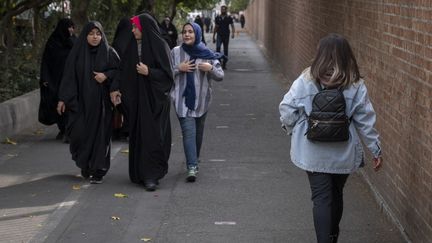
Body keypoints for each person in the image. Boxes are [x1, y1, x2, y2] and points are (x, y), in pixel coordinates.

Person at [279, 33, 383, 243]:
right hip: (343, 151)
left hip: (312, 151)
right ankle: (332, 236)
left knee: (321, 199)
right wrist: (375, 149)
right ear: (347, 56)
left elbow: (287, 108)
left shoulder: (306, 79)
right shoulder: (355, 83)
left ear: (320, 54)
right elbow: (366, 120)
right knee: (336, 194)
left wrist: (292, 128)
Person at [112, 13, 173, 191]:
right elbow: (122, 70)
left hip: (155, 102)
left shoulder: (160, 46)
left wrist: (149, 72)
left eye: (135, 27)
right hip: (137, 102)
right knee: (139, 137)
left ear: (144, 28)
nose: (133, 31)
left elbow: (168, 76)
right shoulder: (131, 47)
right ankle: (140, 173)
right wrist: (116, 89)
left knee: (153, 137)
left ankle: (151, 175)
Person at [57, 21, 120, 184]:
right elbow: (68, 76)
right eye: (91, 33)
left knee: (100, 136)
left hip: (101, 105)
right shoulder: (77, 53)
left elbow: (119, 71)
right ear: (85, 35)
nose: (95, 37)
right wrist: (63, 99)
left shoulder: (109, 52)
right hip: (80, 104)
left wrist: (106, 76)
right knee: (78, 134)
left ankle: (98, 170)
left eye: (98, 34)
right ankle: (86, 164)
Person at [170, 23, 224, 182]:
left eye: (190, 32)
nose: (187, 35)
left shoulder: (206, 53)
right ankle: (192, 166)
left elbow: (220, 76)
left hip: (202, 101)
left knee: (198, 134)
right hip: (182, 101)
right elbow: (165, 72)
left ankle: (195, 157)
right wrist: (179, 68)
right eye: (184, 32)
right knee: (189, 132)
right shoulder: (175, 52)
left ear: (197, 34)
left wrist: (210, 68)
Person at [39, 18, 76, 141]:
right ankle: (62, 128)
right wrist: (45, 77)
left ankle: (68, 130)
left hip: (70, 79)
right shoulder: (53, 42)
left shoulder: (74, 41)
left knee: (69, 103)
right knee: (57, 103)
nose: (71, 29)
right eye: (69, 27)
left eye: (72, 27)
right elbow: (46, 61)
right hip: (55, 79)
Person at [111, 17, 135, 140]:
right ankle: (128, 130)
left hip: (119, 80)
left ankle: (119, 130)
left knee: (121, 106)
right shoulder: (133, 42)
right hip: (132, 79)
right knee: (131, 107)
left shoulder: (116, 43)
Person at [213, 5, 235, 69]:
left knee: (225, 50)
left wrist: (233, 33)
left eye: (224, 9)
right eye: (222, 9)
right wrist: (213, 36)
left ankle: (224, 64)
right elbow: (216, 27)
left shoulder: (229, 17)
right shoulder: (217, 17)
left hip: (226, 35)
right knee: (218, 48)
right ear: (220, 10)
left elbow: (232, 26)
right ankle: (218, 62)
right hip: (219, 35)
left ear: (226, 10)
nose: (223, 10)